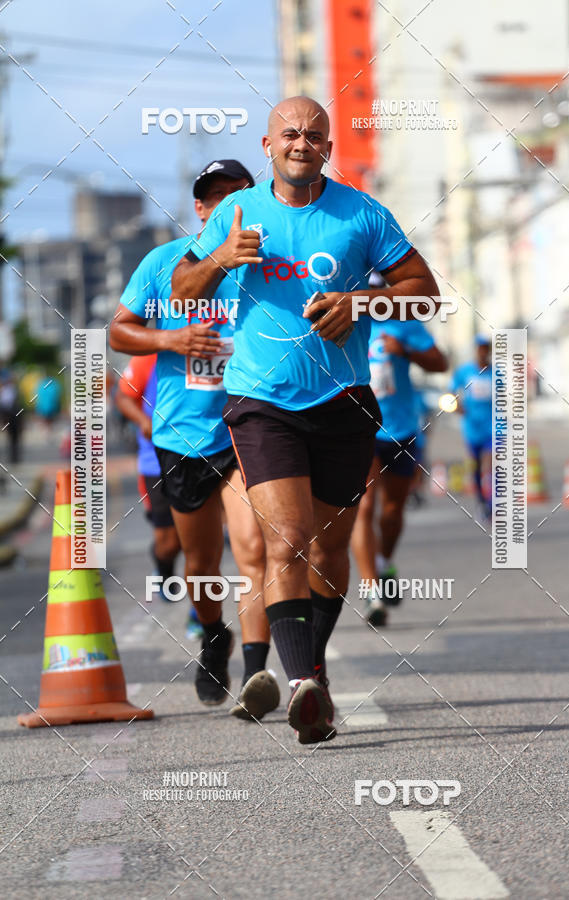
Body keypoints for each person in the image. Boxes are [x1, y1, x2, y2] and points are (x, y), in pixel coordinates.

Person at [170, 96, 441, 743]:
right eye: (289, 133)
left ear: (327, 147)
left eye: (314, 135)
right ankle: (305, 687)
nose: (301, 143)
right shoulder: (237, 214)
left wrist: (361, 300)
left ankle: (308, 668)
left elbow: (424, 291)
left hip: (344, 403)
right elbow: (182, 291)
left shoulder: (361, 213)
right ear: (268, 146)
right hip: (262, 402)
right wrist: (217, 261)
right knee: (287, 539)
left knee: (328, 548)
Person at [109, 160, 279, 721]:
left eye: (238, 195)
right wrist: (171, 337)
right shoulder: (163, 264)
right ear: (200, 209)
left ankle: (258, 670)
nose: (225, 205)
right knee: (201, 563)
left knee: (254, 548)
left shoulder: (270, 264)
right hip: (182, 434)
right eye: (213, 198)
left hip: (249, 424)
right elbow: (118, 331)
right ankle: (214, 637)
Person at [351, 318, 447, 626]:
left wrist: (405, 349)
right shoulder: (345, 316)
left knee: (392, 511)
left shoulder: (404, 323)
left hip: (401, 430)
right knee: (363, 506)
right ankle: (371, 591)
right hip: (360, 430)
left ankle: (385, 562)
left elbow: (439, 363)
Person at [115, 355, 207, 639]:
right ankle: (164, 568)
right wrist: (143, 421)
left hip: (206, 456)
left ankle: (200, 615)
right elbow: (123, 397)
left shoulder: (213, 343)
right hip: (157, 462)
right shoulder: (147, 358)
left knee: (202, 544)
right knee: (169, 544)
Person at [450, 336, 493, 519]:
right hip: (471, 427)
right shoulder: (465, 371)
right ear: (476, 350)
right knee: (475, 466)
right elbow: (451, 392)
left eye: (486, 348)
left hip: (492, 426)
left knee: (492, 464)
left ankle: (493, 503)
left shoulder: (496, 373)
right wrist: (456, 405)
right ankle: (481, 501)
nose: (483, 352)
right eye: (480, 348)